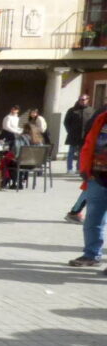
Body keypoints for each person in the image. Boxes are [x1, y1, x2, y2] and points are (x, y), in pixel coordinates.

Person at [68, 110, 107, 271]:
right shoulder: (102, 118)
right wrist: (85, 168)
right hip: (97, 177)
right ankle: (91, 255)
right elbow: (89, 143)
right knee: (93, 220)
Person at [65, 95, 93, 174]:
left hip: (85, 135)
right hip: (74, 134)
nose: (83, 101)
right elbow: (66, 122)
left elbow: (93, 122)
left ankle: (79, 168)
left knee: (82, 153)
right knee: (71, 152)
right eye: (81, 99)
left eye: (84, 99)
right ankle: (69, 168)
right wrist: (70, 131)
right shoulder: (72, 110)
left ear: (88, 100)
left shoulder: (91, 110)